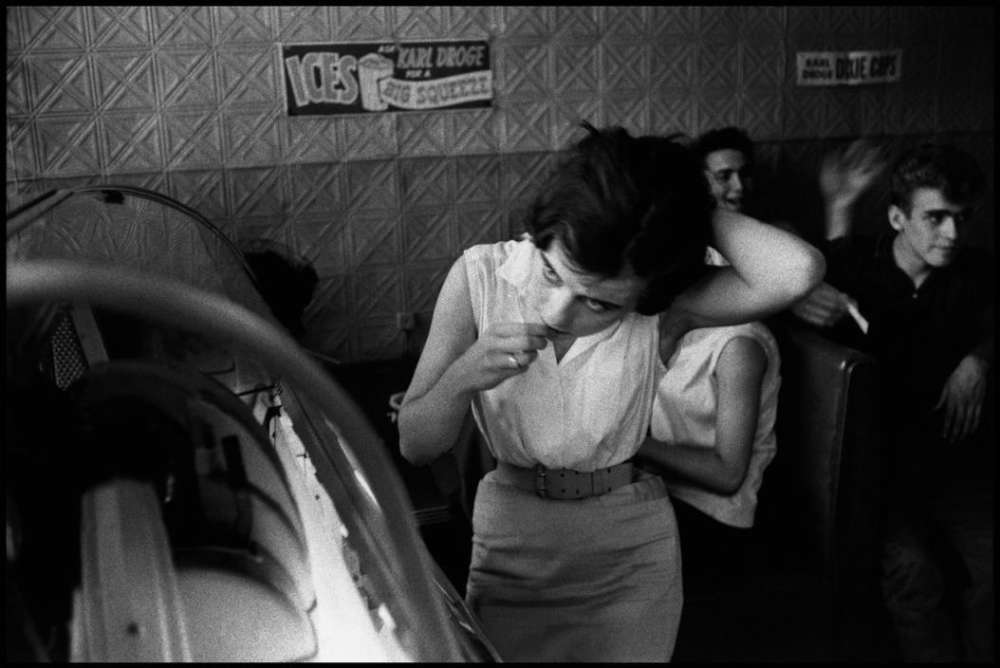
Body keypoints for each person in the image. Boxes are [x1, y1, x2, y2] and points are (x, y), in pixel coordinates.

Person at [397, 123, 824, 662]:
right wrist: (464, 374)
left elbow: (798, 271)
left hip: (631, 554)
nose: (559, 313)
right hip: (513, 544)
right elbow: (416, 444)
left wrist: (679, 206)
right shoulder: (479, 276)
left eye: (599, 303)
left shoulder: (664, 307)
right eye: (552, 273)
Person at [791, 142, 994, 661]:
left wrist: (979, 358)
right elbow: (797, 300)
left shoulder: (975, 272)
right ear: (897, 216)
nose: (951, 234)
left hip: (955, 464)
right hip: (878, 475)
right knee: (914, 576)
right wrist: (799, 296)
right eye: (936, 217)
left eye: (962, 218)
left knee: (990, 569)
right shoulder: (855, 264)